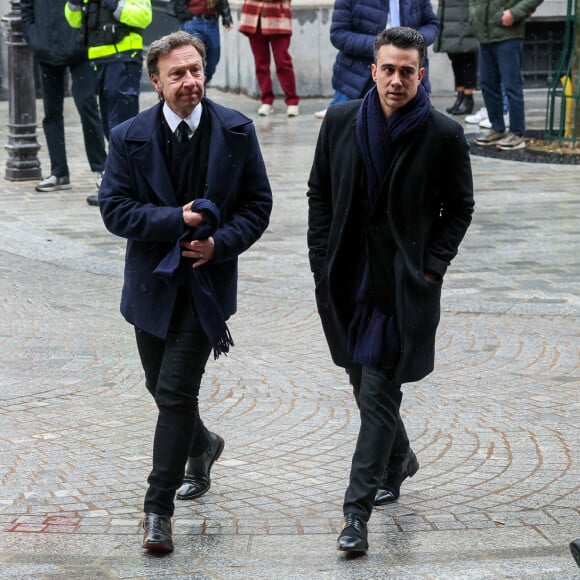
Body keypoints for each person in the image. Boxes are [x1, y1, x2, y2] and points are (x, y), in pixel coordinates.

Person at [98, 31, 273, 553]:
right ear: (156, 81)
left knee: (176, 394)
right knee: (161, 390)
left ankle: (157, 510)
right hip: (150, 290)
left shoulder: (237, 130)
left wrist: (219, 244)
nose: (190, 81)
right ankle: (204, 444)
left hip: (205, 290)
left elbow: (258, 207)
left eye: (195, 70)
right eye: (178, 74)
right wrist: (176, 219)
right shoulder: (128, 136)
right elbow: (115, 210)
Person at [307, 27, 474, 553]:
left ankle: (354, 515)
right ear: (373, 70)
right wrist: (319, 261)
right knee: (363, 387)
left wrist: (431, 267)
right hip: (346, 282)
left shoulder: (442, 134)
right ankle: (401, 459)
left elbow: (460, 208)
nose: (397, 79)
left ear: (421, 75)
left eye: (408, 71)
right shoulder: (339, 122)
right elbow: (319, 193)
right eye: (389, 69)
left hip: (401, 291)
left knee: (378, 393)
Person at [64, 0, 153, 206]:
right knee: (109, 126)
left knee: (121, 125)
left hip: (123, 58)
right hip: (99, 59)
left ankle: (123, 187)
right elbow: (74, 20)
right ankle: (121, 183)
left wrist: (114, 5)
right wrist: (74, 4)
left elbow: (144, 16)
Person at [21, 0, 107, 193]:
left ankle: (102, 168)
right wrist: (34, 37)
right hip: (46, 49)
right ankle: (59, 172)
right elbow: (26, 8)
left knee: (87, 106)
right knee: (51, 113)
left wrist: (84, 34)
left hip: (79, 49)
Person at [314, 0, 439, 119]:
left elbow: (432, 24)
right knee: (346, 130)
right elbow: (339, 34)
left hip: (407, 76)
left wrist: (412, 42)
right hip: (356, 79)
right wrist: (383, 47)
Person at [470, 0, 543, 151]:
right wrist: (473, 15)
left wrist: (514, 13)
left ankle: (517, 133)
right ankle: (497, 129)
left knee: (511, 85)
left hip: (508, 35)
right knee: (487, 83)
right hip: (484, 35)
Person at [239, 0, 300, 117]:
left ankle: (292, 100)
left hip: (278, 18)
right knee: (260, 63)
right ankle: (266, 100)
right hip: (254, 18)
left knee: (282, 61)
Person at [168, 0, 233, 85]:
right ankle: (199, 93)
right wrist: (187, 15)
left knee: (213, 59)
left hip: (212, 21)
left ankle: (198, 86)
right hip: (193, 21)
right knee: (194, 60)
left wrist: (227, 17)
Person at [433, 0, 478, 116]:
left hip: (463, 18)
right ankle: (460, 95)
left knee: (467, 59)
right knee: (455, 59)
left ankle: (468, 98)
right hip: (448, 19)